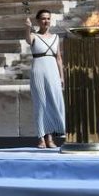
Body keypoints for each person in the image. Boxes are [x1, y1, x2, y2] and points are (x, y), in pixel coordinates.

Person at [25, 9, 65, 148]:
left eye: (48, 18)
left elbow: (58, 58)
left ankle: (51, 137)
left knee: (54, 102)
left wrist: (62, 77)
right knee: (41, 104)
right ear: (38, 21)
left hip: (53, 71)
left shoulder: (56, 37)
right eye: (43, 18)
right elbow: (28, 41)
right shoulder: (34, 35)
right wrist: (27, 27)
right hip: (38, 70)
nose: (46, 21)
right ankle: (42, 138)